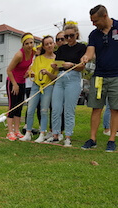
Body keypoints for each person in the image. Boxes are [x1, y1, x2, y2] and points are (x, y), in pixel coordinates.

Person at [81, 5, 118, 152]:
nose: (93, 24)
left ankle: (111, 140)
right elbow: (90, 52)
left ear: (104, 16)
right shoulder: (94, 34)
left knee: (115, 109)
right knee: (96, 108)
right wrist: (85, 58)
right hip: (99, 76)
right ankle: (92, 139)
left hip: (116, 76)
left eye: (95, 21)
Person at [49, 22, 86, 147]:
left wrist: (71, 65)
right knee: (56, 108)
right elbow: (57, 64)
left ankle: (68, 136)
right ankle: (55, 135)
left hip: (73, 78)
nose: (69, 39)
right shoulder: (62, 49)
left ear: (76, 35)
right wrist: (55, 65)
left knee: (69, 109)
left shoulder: (81, 47)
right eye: (66, 36)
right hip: (60, 78)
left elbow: (82, 67)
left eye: (71, 36)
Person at [20, 36, 57, 142]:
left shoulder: (57, 60)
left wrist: (48, 72)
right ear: (44, 47)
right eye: (47, 44)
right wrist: (31, 73)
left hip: (48, 86)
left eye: (51, 43)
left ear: (54, 44)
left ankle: (42, 134)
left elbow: (56, 77)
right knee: (30, 109)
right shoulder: (38, 59)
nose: (49, 45)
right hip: (36, 86)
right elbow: (32, 73)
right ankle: (28, 133)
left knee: (44, 110)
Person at [6, 33, 35, 141]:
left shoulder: (33, 52)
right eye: (26, 43)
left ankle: (17, 131)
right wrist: (14, 84)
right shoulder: (19, 55)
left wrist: (28, 72)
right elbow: (8, 70)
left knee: (19, 107)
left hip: (22, 82)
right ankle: (10, 132)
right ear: (23, 44)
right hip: (12, 82)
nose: (29, 45)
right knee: (12, 107)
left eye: (31, 42)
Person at [45, 31, 67, 141]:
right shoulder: (57, 54)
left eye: (62, 39)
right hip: (56, 83)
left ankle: (62, 131)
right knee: (54, 108)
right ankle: (53, 130)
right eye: (57, 39)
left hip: (68, 82)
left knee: (64, 108)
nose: (60, 41)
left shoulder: (71, 50)